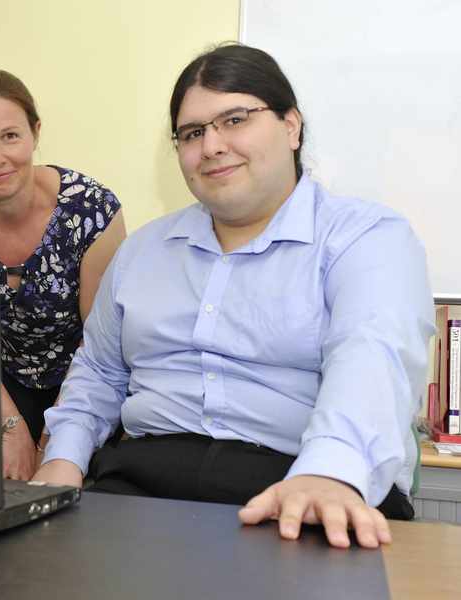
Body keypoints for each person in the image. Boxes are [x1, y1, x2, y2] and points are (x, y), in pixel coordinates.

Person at [33, 44, 434, 549]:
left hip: (305, 486)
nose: (212, 146)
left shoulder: (366, 237)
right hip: (142, 492)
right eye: (192, 133)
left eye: (235, 119)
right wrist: (62, 461)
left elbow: (371, 358)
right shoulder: (143, 252)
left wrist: (330, 473)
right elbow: (100, 372)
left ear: (292, 126)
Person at [0, 69, 126, 480]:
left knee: (78, 485)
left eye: (10, 136)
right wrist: (11, 428)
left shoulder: (92, 210)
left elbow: (100, 344)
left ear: (35, 133)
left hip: (82, 379)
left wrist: (58, 435)